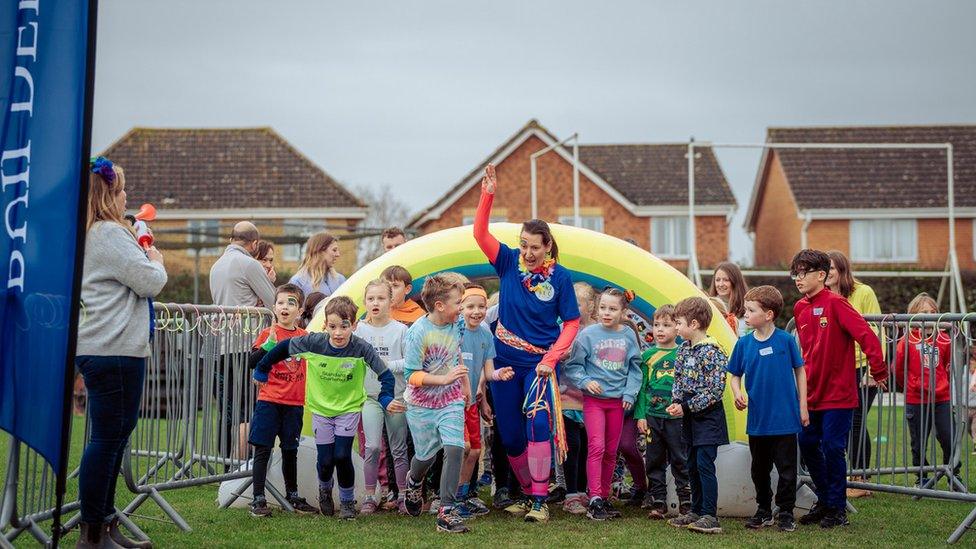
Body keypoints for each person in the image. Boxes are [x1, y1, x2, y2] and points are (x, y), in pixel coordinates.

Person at [473, 164, 581, 523]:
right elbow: (479, 233)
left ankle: (540, 500)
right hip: (504, 363)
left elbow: (572, 323)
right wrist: (488, 194)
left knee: (537, 424)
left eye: (534, 247)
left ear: (548, 246)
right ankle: (525, 491)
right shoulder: (507, 262)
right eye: (523, 245)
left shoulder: (561, 278)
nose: (527, 252)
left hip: (539, 366)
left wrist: (551, 358)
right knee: (511, 433)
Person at [76, 157, 167, 549]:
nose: (128, 195)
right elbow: (149, 281)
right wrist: (156, 260)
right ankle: (92, 531)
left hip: (110, 347)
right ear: (110, 195)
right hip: (111, 349)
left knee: (114, 436)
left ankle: (105, 523)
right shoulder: (109, 234)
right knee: (107, 438)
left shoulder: (96, 233)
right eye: (122, 189)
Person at [253, 296, 401, 520]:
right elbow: (283, 348)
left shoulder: (361, 348)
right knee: (325, 461)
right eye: (332, 327)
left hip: (348, 409)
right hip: (321, 410)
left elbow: (385, 375)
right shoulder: (315, 343)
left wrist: (386, 398)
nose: (338, 333)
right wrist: (262, 368)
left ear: (354, 325)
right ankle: (324, 490)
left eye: (344, 326)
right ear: (325, 326)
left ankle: (347, 501)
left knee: (342, 456)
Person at [790, 249, 887, 529]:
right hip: (812, 393)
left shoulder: (837, 304)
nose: (798, 278)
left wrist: (878, 369)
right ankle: (826, 500)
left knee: (833, 447)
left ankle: (837, 508)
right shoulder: (799, 308)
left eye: (804, 272)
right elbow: (807, 352)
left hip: (839, 393)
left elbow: (866, 335)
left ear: (821, 275)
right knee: (807, 443)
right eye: (795, 273)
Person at [727, 286, 808, 533]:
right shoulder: (743, 344)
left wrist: (803, 405)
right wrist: (738, 392)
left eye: (751, 310)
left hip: (785, 418)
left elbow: (800, 371)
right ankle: (763, 510)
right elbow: (734, 374)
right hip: (758, 419)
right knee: (759, 469)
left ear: (769, 314)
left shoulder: (785, 341)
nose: (745, 315)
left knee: (786, 469)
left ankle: (785, 512)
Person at [400, 274, 474, 533]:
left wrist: (464, 387)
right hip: (421, 404)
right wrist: (443, 379)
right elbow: (411, 375)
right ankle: (413, 480)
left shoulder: (458, 324)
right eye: (458, 303)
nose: (462, 308)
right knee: (425, 456)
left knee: (455, 448)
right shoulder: (418, 333)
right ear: (440, 305)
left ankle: (446, 511)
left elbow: (456, 356)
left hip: (450, 399)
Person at [563, 288, 643, 521]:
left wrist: (629, 394)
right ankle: (594, 497)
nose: (607, 313)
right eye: (603, 308)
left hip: (617, 403)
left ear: (623, 311)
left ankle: (604, 497)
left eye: (613, 309)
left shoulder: (628, 336)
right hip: (594, 403)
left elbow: (635, 369)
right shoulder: (587, 335)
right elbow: (573, 366)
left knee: (611, 451)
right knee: (596, 447)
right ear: (597, 308)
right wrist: (586, 381)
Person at [245, 284, 318, 517]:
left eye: (291, 303)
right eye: (281, 302)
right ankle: (258, 499)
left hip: (294, 404)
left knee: (290, 450)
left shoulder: (305, 338)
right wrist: (267, 347)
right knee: (262, 450)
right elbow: (252, 361)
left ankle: (293, 495)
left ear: (300, 310)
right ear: (274, 307)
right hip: (269, 401)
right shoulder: (268, 334)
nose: (285, 307)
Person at [666, 296, 729, 535]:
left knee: (704, 464)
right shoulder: (684, 349)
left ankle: (709, 515)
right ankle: (695, 509)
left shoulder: (712, 351)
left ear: (693, 324)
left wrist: (688, 406)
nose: (676, 328)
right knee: (690, 463)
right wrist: (676, 402)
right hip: (689, 417)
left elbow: (714, 390)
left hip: (708, 418)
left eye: (678, 323)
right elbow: (678, 380)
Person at [825, 250, 883, 498]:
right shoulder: (824, 296)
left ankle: (861, 478)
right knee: (844, 423)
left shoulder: (863, 292)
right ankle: (852, 475)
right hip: (839, 368)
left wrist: (873, 369)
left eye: (831, 269)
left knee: (856, 421)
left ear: (842, 270)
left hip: (862, 366)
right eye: (823, 270)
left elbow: (876, 329)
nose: (827, 273)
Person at [353, 280, 411, 515]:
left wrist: (389, 365)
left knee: (398, 449)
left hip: (396, 397)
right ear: (365, 302)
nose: (375, 303)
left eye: (381, 298)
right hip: (370, 398)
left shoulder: (401, 330)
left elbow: (411, 363)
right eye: (370, 299)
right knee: (373, 446)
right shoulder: (359, 330)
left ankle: (403, 497)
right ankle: (369, 496)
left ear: (391, 301)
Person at [457, 283, 513, 516]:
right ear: (460, 308)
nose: (476, 311)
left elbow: (488, 371)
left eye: (481, 306)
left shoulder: (485, 334)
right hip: (452, 402)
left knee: (476, 452)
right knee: (464, 447)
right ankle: (449, 496)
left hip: (471, 402)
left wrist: (500, 374)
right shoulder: (455, 330)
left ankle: (462, 495)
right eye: (470, 306)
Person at [635, 304, 691, 520]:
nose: (660, 329)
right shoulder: (647, 355)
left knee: (680, 458)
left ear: (677, 328)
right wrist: (640, 415)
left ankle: (685, 499)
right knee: (654, 459)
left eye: (666, 325)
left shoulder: (683, 353)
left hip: (676, 418)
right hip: (652, 416)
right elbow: (641, 387)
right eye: (657, 324)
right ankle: (658, 501)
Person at [894, 293, 953, 487]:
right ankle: (922, 475)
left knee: (947, 436)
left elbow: (945, 364)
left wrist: (940, 384)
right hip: (916, 399)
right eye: (924, 312)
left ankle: (953, 471)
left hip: (942, 398)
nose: (929, 316)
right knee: (918, 442)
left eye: (933, 312)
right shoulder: (907, 340)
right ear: (913, 315)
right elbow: (899, 368)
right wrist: (914, 384)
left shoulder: (944, 339)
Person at [558, 282, 598, 515]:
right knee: (572, 445)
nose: (572, 307)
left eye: (578, 303)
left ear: (591, 305)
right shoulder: (563, 327)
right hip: (566, 398)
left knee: (586, 446)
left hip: (591, 400)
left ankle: (583, 490)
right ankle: (570, 493)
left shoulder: (597, 330)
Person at [209, 221, 276, 308]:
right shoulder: (250, 264)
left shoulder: (215, 266)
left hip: (222, 321)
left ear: (231, 241)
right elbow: (273, 303)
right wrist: (268, 282)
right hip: (247, 321)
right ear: (254, 244)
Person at [289, 232, 346, 298]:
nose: (338, 254)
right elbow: (290, 306)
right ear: (320, 251)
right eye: (334, 250)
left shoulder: (340, 280)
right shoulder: (298, 282)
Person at [708, 262, 748, 335]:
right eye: (717, 280)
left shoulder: (748, 306)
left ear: (735, 281)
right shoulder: (710, 305)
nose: (721, 284)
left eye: (726, 280)